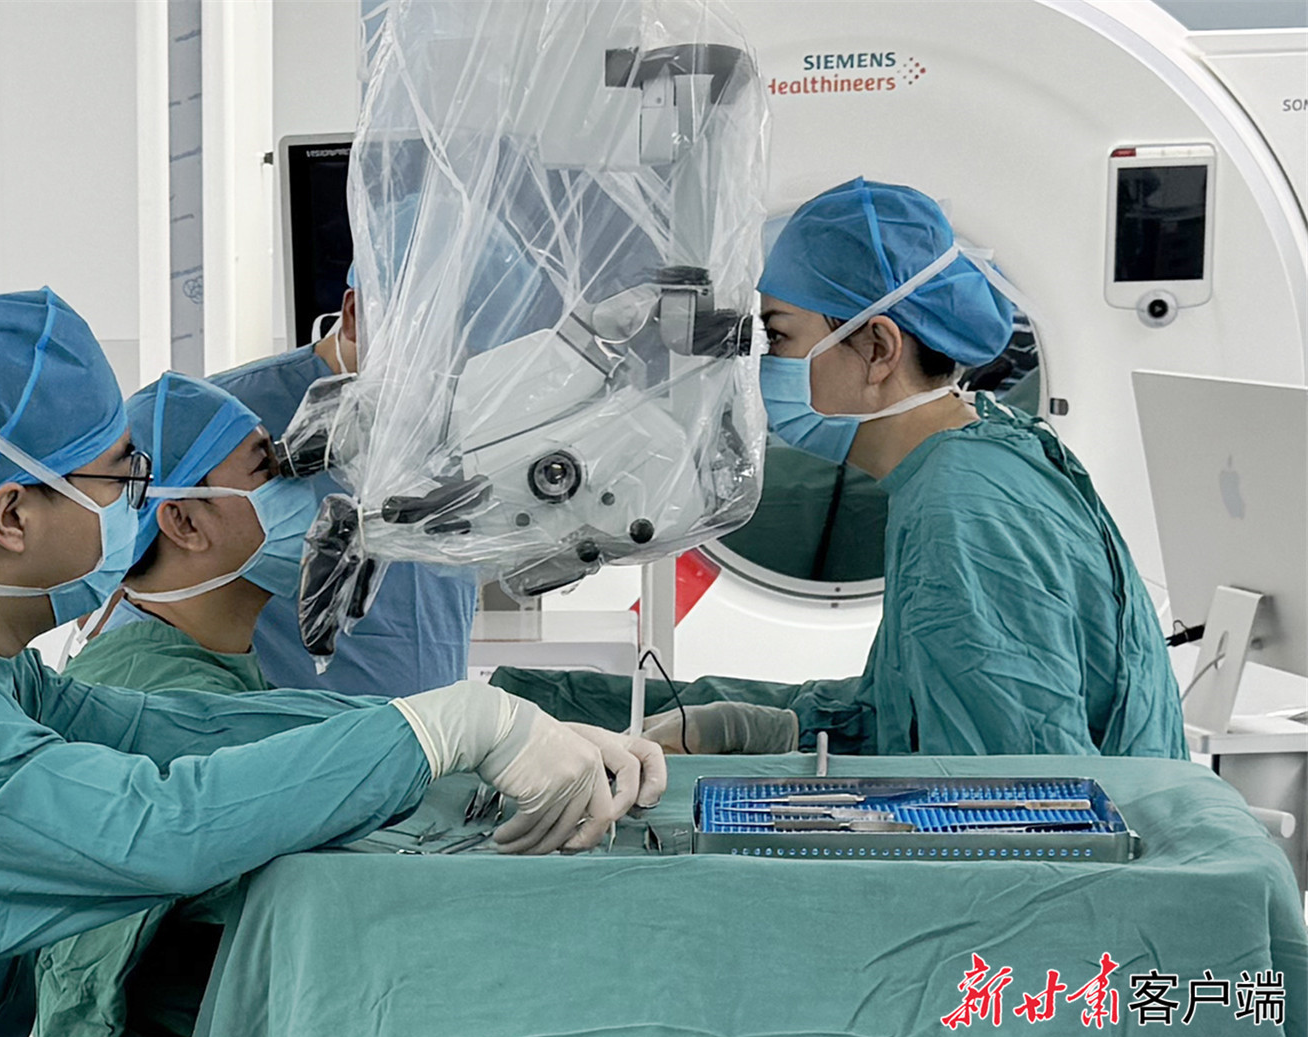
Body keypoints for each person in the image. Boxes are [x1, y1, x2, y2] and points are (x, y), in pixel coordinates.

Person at [0, 290, 665, 1037]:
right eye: (119, 476)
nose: (137, 499)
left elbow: (179, 731)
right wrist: (444, 728)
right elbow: (158, 823)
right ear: (11, 516)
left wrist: (468, 730)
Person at [504, 179, 1187, 760]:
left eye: (779, 336)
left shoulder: (963, 507)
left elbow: (1015, 800)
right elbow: (913, 712)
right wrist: (771, 730)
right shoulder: (983, 450)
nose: (761, 364)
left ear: (879, 348)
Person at [32, 371, 306, 1037]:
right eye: (269, 471)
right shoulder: (163, 699)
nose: (304, 492)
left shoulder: (183, 657)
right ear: (184, 522)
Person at [208, 269, 479, 697]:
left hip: (431, 724)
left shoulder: (466, 414)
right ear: (355, 315)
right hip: (285, 724)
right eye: (435, 346)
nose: (453, 370)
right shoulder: (229, 417)